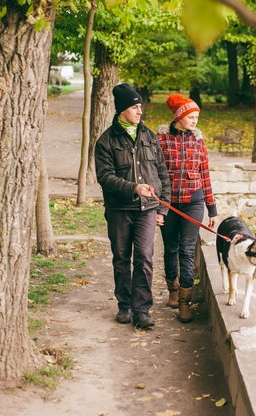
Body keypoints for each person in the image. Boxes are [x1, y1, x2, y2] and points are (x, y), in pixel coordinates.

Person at [95, 83, 171, 329]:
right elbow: (105, 177)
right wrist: (133, 187)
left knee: (145, 257)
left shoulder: (149, 137)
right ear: (122, 110)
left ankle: (142, 309)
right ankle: (124, 306)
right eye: (135, 107)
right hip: (119, 209)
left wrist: (162, 209)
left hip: (148, 209)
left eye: (141, 107)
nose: (140, 111)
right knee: (121, 258)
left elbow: (162, 174)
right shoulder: (106, 140)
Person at [156, 93, 218, 323]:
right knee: (170, 247)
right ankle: (172, 289)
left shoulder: (198, 141)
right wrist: (156, 206)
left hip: (193, 201)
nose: (195, 121)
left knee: (188, 249)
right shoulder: (160, 140)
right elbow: (155, 173)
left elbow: (205, 174)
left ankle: (185, 301)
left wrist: (211, 208)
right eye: (191, 117)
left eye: (197, 117)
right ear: (179, 116)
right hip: (168, 202)